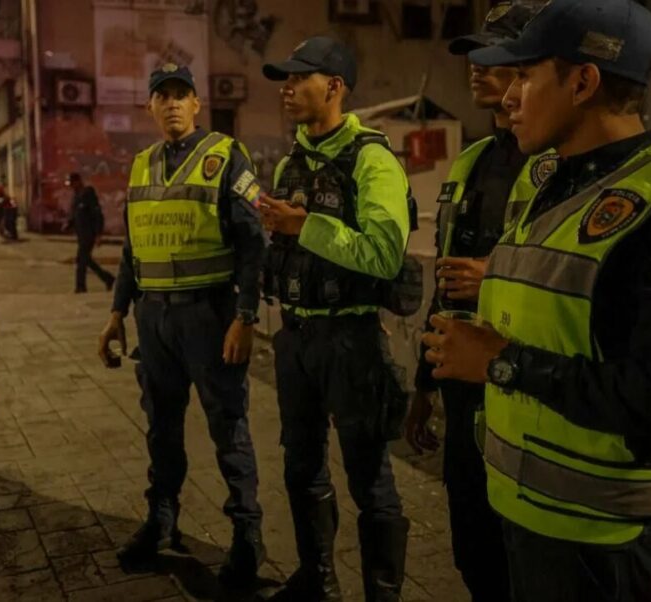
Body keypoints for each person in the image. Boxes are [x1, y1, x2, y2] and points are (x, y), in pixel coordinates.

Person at [422, 1, 651, 600]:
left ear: (583, 82)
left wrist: (501, 362)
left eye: (527, 77)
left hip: (620, 550)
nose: (509, 97)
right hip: (535, 524)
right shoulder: (552, 188)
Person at [97, 63, 267, 587]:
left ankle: (247, 537)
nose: (171, 103)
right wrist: (116, 313)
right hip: (155, 321)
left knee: (228, 428)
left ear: (197, 104)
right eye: (162, 95)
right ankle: (161, 523)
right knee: (161, 429)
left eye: (181, 94)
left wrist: (244, 317)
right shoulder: (141, 164)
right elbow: (131, 250)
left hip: (209, 316)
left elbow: (253, 243)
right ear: (149, 106)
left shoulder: (225, 155)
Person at [402, 3, 549, 601]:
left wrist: (496, 274)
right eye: (470, 55)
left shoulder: (562, 167)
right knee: (474, 551)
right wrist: (424, 383)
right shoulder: (471, 160)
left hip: (531, 388)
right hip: (465, 390)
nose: (475, 67)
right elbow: (445, 283)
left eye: (495, 55)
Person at [259, 36, 413, 601]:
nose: (288, 88)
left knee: (370, 478)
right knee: (300, 466)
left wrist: (304, 227)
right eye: (286, 78)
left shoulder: (373, 159)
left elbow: (384, 253)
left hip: (351, 341)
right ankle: (318, 581)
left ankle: (383, 594)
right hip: (296, 336)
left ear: (335, 86)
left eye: (301, 78)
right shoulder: (291, 160)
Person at [67, 172, 115, 292]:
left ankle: (80, 286)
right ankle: (107, 278)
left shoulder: (88, 194)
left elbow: (97, 214)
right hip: (81, 234)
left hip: (89, 234)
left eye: (72, 184)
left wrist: (98, 234)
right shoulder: (77, 197)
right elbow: (75, 215)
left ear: (78, 182)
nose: (71, 187)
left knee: (81, 260)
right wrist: (69, 224)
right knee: (86, 259)